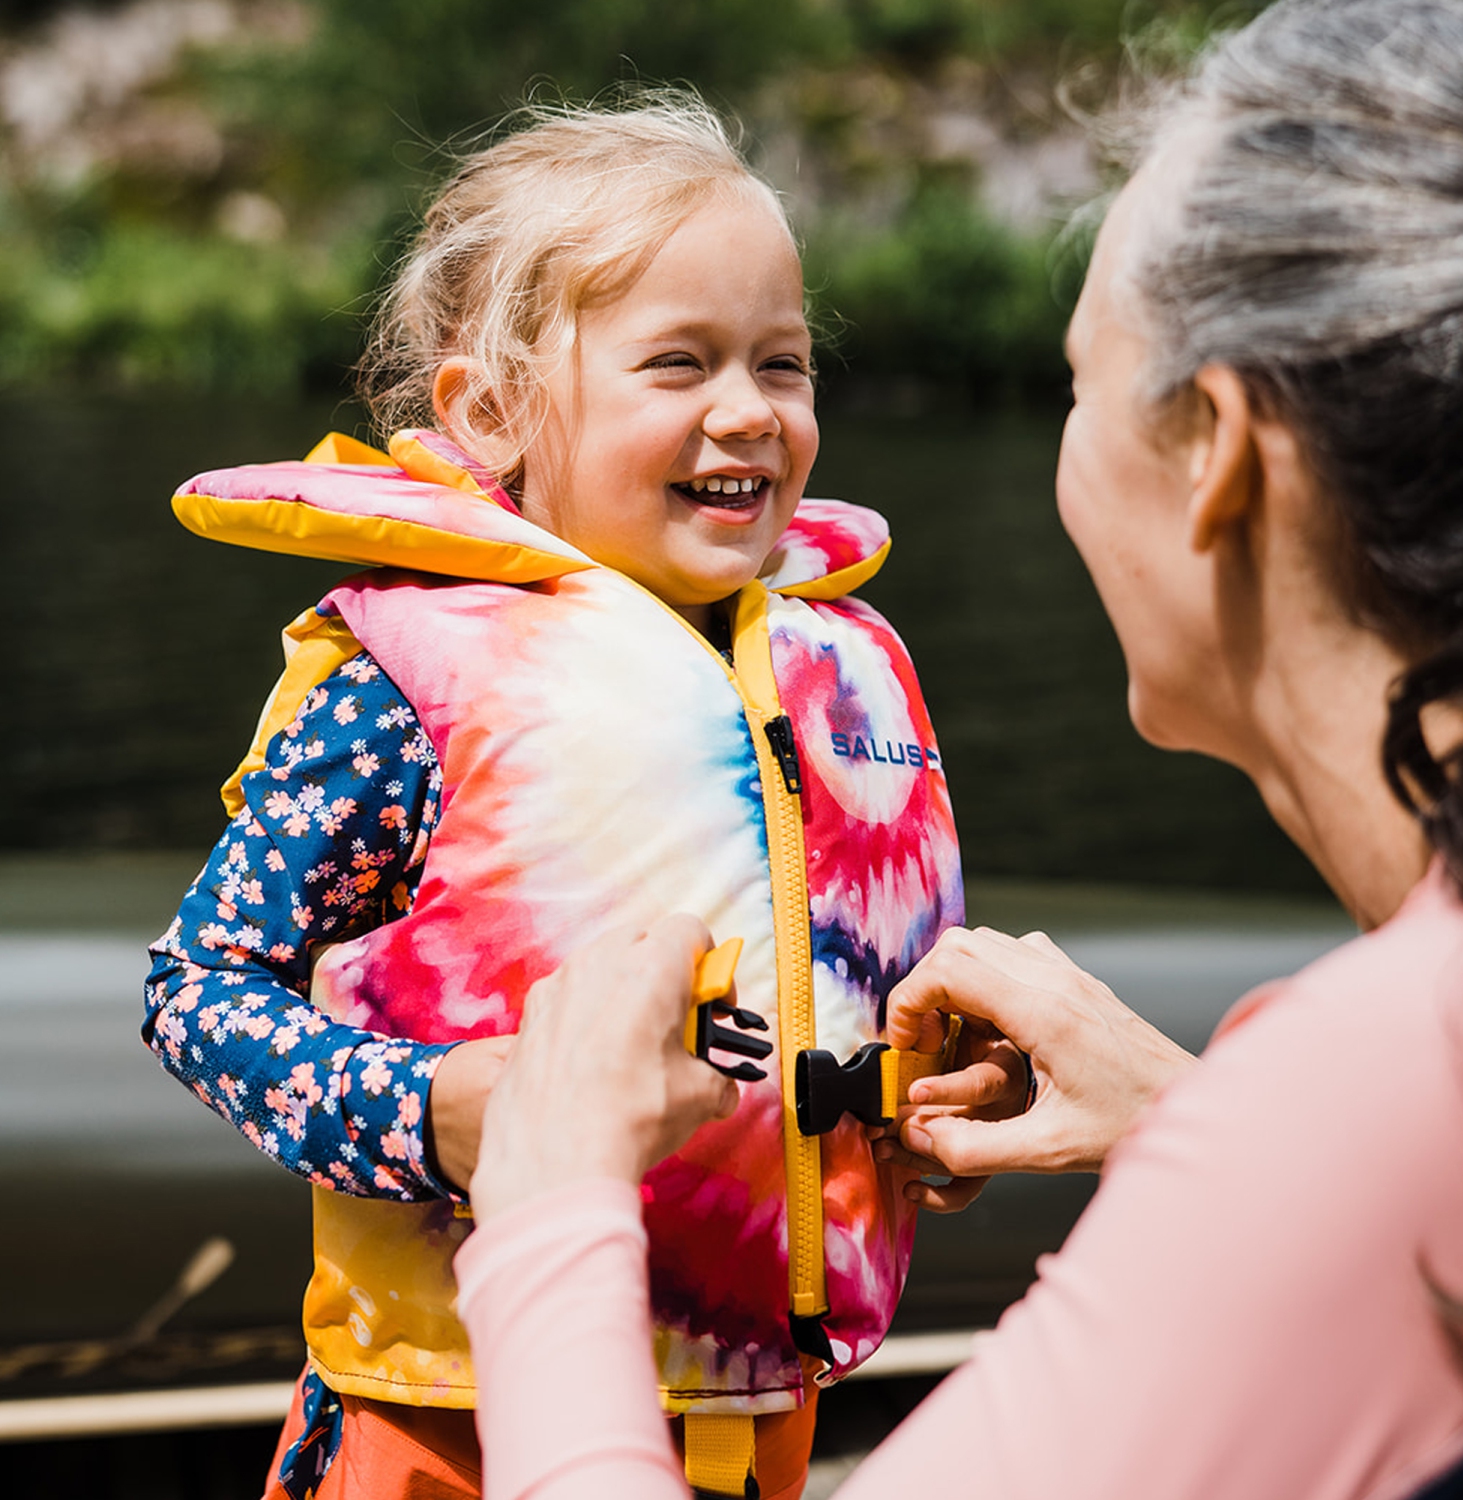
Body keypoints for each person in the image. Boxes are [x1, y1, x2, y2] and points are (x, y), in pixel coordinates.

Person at [451, 2, 1463, 1495]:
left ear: (1221, 458)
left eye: (1077, 383)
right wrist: (1178, 1117)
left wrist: (550, 1202)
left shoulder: (1376, 1086)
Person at [142, 97, 965, 1500]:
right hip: (450, 1426)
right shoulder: (401, 696)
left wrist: (926, 1099)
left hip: (762, 1413)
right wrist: (432, 1109)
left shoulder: (842, 665)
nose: (749, 412)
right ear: (492, 412)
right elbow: (198, 991)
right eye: (678, 363)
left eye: (783, 361)